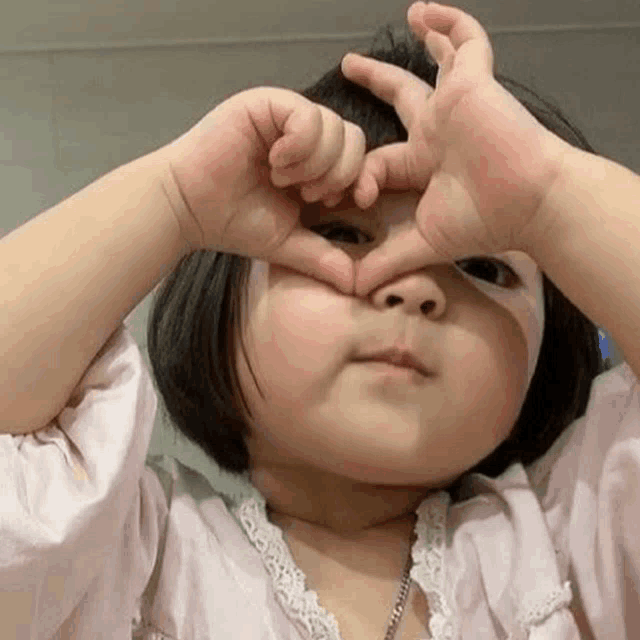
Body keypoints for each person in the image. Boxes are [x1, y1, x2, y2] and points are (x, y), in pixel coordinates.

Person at [1, 1, 639, 638]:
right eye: (341, 233)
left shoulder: (576, 540)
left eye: (483, 267)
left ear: (546, 354)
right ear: (221, 303)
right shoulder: (130, 558)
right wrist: (175, 197)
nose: (414, 288)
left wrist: (548, 195)